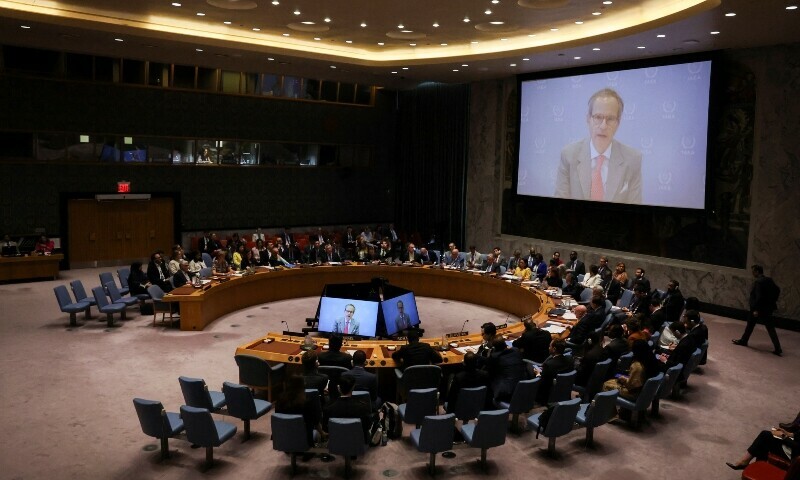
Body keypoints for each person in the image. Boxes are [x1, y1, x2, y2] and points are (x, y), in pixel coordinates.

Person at [555, 88, 642, 204]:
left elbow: (634, 212)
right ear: (588, 119)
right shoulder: (568, 155)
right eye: (598, 117)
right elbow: (559, 208)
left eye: (610, 119)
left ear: (618, 123)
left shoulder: (633, 159)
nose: (603, 126)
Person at [733, 265, 782, 356]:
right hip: (767, 309)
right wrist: (772, 301)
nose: (752, 273)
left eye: (753, 271)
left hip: (758, 309)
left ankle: (744, 341)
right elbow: (777, 290)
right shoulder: (769, 280)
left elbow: (759, 297)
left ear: (757, 271)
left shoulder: (758, 282)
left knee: (750, 325)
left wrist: (756, 309)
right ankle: (778, 348)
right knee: (770, 328)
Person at [726, 411, 799, 470]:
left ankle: (747, 463)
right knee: (770, 434)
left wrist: (784, 437)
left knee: (766, 436)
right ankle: (756, 465)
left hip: (795, 454)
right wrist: (788, 434)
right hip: (794, 444)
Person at [322, 375, 374, 443]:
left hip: (336, 444)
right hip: (357, 445)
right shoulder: (363, 408)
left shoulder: (328, 409)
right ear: (353, 388)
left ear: (338, 388)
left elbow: (325, 429)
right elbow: (367, 426)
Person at [481, 335, 526, 403]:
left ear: (494, 348)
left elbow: (489, 371)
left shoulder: (494, 357)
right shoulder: (516, 350)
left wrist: (489, 357)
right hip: (523, 387)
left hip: (507, 393)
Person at [533, 339, 575, 404]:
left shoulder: (549, 364)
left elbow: (543, 384)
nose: (549, 348)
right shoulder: (570, 359)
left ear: (554, 349)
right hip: (564, 390)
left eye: (550, 346)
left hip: (549, 393)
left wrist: (538, 374)